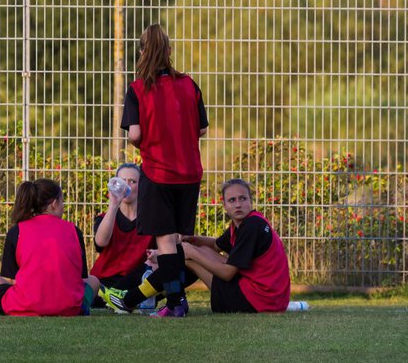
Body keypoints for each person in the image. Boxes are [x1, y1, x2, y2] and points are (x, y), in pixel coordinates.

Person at [121, 23, 208, 318]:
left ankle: (175, 303)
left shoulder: (137, 89)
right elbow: (203, 128)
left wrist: (152, 141)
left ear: (142, 52)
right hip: (190, 174)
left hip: (159, 173)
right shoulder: (190, 85)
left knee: (166, 242)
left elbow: (134, 134)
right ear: (169, 52)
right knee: (178, 239)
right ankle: (171, 299)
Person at [0, 179, 99, 317]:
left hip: (24, 306)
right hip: (70, 308)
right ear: (54, 204)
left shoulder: (16, 231)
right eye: (62, 202)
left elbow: (12, 281)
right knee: (94, 280)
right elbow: (81, 279)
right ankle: (77, 306)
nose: (63, 207)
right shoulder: (74, 231)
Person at [180, 179, 291, 314]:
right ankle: (168, 295)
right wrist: (193, 239)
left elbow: (227, 274)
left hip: (262, 302)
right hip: (269, 299)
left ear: (251, 201)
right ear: (225, 205)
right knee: (201, 251)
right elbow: (215, 245)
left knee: (189, 259)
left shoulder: (252, 225)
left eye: (243, 199)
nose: (238, 205)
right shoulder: (241, 224)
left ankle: (173, 299)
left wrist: (191, 252)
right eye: (232, 200)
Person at [92, 163, 159, 314]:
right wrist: (113, 205)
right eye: (123, 181)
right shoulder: (104, 218)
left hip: (137, 280)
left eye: (133, 182)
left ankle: (124, 300)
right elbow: (100, 243)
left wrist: (157, 254)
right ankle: (114, 299)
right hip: (105, 281)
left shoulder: (150, 219)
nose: (127, 186)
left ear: (140, 186)